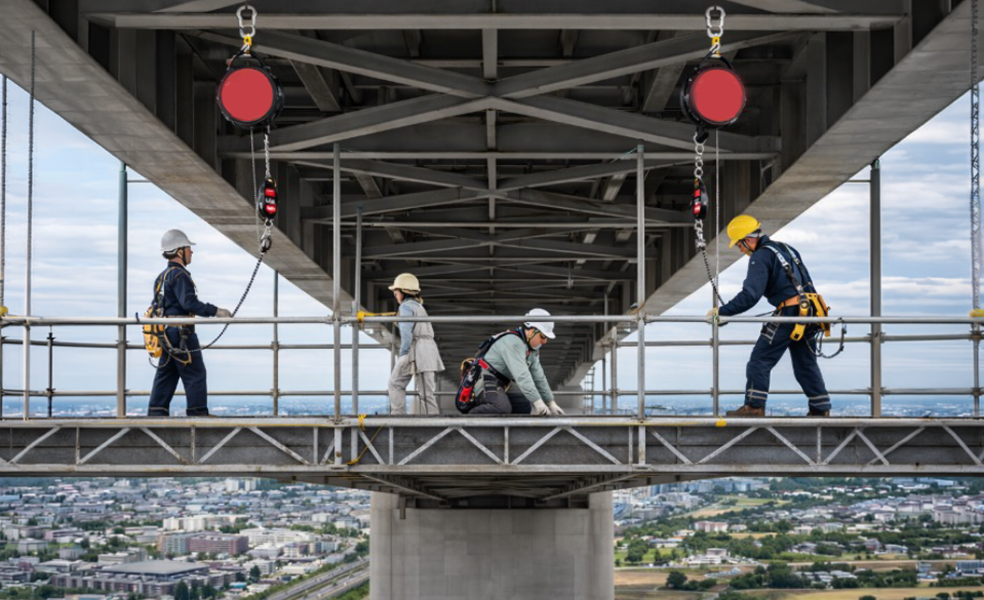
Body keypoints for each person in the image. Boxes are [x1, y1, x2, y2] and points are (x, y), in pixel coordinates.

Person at [708, 215, 831, 417]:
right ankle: (821, 408)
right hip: (810, 312)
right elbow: (805, 282)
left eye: (739, 245)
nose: (740, 250)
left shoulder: (761, 256)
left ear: (748, 240)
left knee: (760, 359)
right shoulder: (787, 248)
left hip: (790, 312)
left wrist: (721, 312)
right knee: (805, 363)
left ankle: (754, 407)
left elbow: (750, 295)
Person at [147, 230, 232, 418]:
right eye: (188, 248)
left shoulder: (162, 277)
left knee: (167, 375)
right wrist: (217, 312)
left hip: (165, 334)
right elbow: (189, 303)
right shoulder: (179, 275)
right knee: (195, 374)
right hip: (181, 334)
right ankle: (198, 413)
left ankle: (156, 414)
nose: (191, 252)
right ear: (179, 251)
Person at [469, 308, 565, 416]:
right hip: (485, 378)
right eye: (543, 336)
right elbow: (522, 375)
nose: (545, 341)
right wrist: (538, 402)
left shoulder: (531, 350)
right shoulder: (513, 342)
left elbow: (538, 377)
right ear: (532, 331)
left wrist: (550, 402)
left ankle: (508, 432)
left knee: (523, 405)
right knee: (501, 408)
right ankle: (468, 420)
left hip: (502, 382)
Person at [387, 273, 445, 415]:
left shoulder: (405, 307)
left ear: (402, 291)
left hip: (415, 348)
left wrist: (403, 354)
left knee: (395, 384)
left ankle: (397, 418)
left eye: (396, 291)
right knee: (427, 393)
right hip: (429, 350)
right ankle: (435, 424)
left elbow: (407, 333)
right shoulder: (419, 307)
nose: (395, 295)